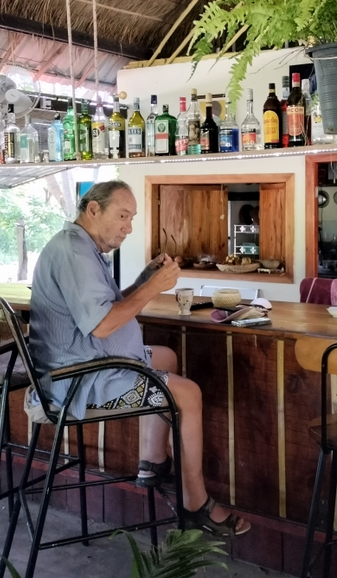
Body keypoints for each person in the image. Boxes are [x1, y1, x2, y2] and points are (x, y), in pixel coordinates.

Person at [28, 180, 249, 536]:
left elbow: (107, 309)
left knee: (166, 357)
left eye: (132, 218)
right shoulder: (74, 252)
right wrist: (152, 287)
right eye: (122, 216)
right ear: (94, 210)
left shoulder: (79, 246)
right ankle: (196, 504)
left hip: (84, 363)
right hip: (81, 379)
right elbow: (103, 325)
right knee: (188, 394)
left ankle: (151, 462)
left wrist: (142, 280)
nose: (128, 227)